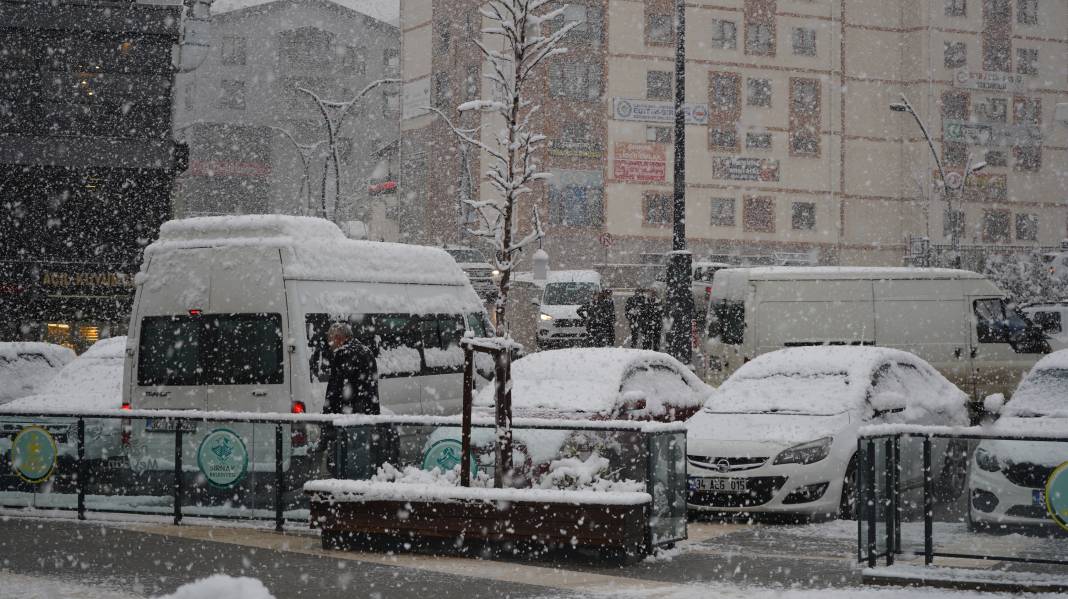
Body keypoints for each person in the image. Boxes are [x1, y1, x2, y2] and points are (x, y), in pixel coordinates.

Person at [322, 322, 380, 477]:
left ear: (340, 338)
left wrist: (328, 420)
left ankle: (345, 494)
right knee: (362, 463)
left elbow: (337, 392)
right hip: (366, 418)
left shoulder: (344, 354)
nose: (329, 344)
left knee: (344, 465)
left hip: (348, 420)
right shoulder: (366, 351)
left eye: (331, 339)